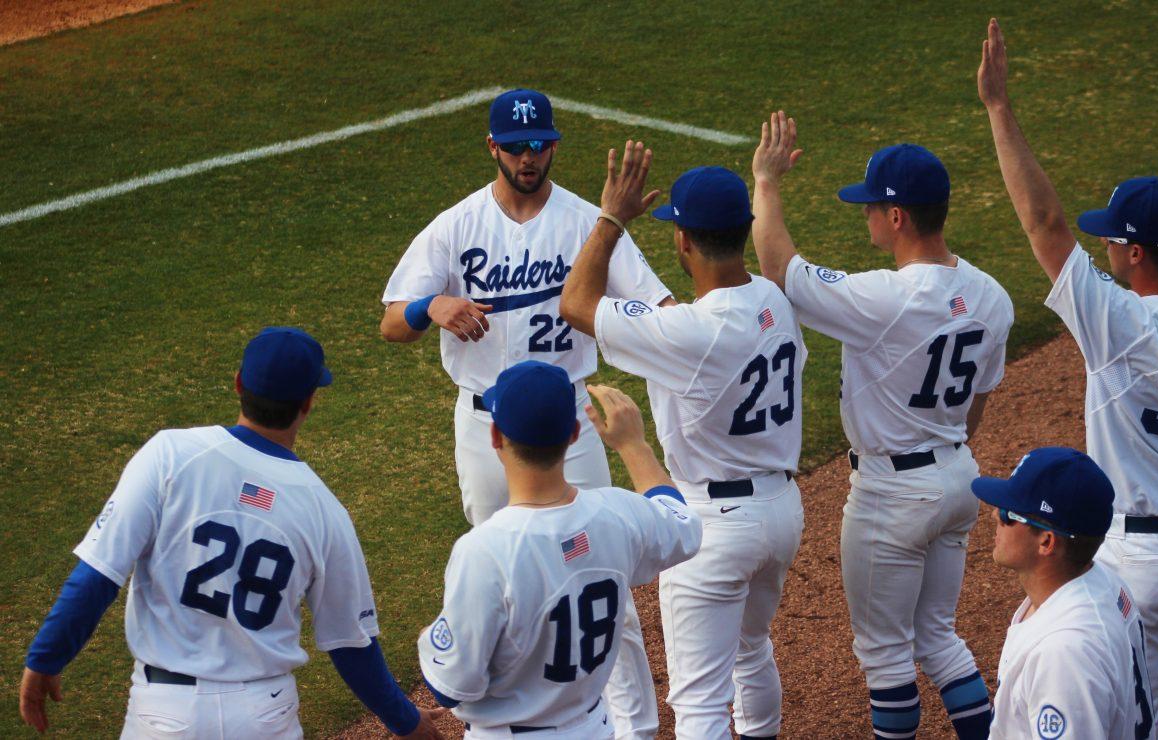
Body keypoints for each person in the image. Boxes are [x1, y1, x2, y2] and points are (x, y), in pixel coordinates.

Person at [379, 88, 672, 737]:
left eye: (539, 144)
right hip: (487, 429)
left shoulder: (584, 223)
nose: (529, 156)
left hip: (573, 420)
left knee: (607, 575)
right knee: (500, 571)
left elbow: (656, 303)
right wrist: (433, 309)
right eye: (515, 146)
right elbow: (392, 322)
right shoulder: (455, 227)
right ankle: (515, 714)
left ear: (554, 144)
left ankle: (635, 728)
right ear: (492, 148)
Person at [18, 327, 443, 738]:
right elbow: (351, 645)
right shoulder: (324, 509)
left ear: (239, 384)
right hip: (264, 715)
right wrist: (405, 721)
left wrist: (45, 659)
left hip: (165, 711)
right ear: (309, 402)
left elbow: (97, 577)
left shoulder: (170, 455)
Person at [752, 113, 1013, 739]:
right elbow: (977, 403)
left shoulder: (883, 299)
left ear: (897, 217)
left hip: (891, 494)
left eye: (871, 206)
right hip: (957, 477)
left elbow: (779, 266)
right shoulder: (992, 296)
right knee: (938, 637)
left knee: (886, 656)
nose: (864, 214)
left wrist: (766, 181)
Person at [977, 18, 1158, 736]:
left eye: (1112, 236)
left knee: (1139, 717)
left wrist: (999, 109)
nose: (1101, 241)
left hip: (1142, 555)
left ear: (1135, 255)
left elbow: (1044, 224)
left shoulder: (1119, 325)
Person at [559, 143, 805, 739]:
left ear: (683, 241)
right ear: (743, 232)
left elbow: (576, 304)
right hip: (781, 512)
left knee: (698, 705)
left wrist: (612, 220)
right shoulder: (774, 299)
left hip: (714, 527)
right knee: (751, 651)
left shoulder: (687, 332)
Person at [417, 362, 702, 739]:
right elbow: (683, 525)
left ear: (495, 436)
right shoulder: (618, 514)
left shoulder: (484, 551)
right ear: (573, 434)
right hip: (595, 728)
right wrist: (634, 446)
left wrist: (431, 636)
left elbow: (449, 686)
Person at [972, 447, 1158, 739]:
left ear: (1046, 542)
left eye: (1010, 514)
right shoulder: (1104, 582)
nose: (996, 514)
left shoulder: (1063, 653)